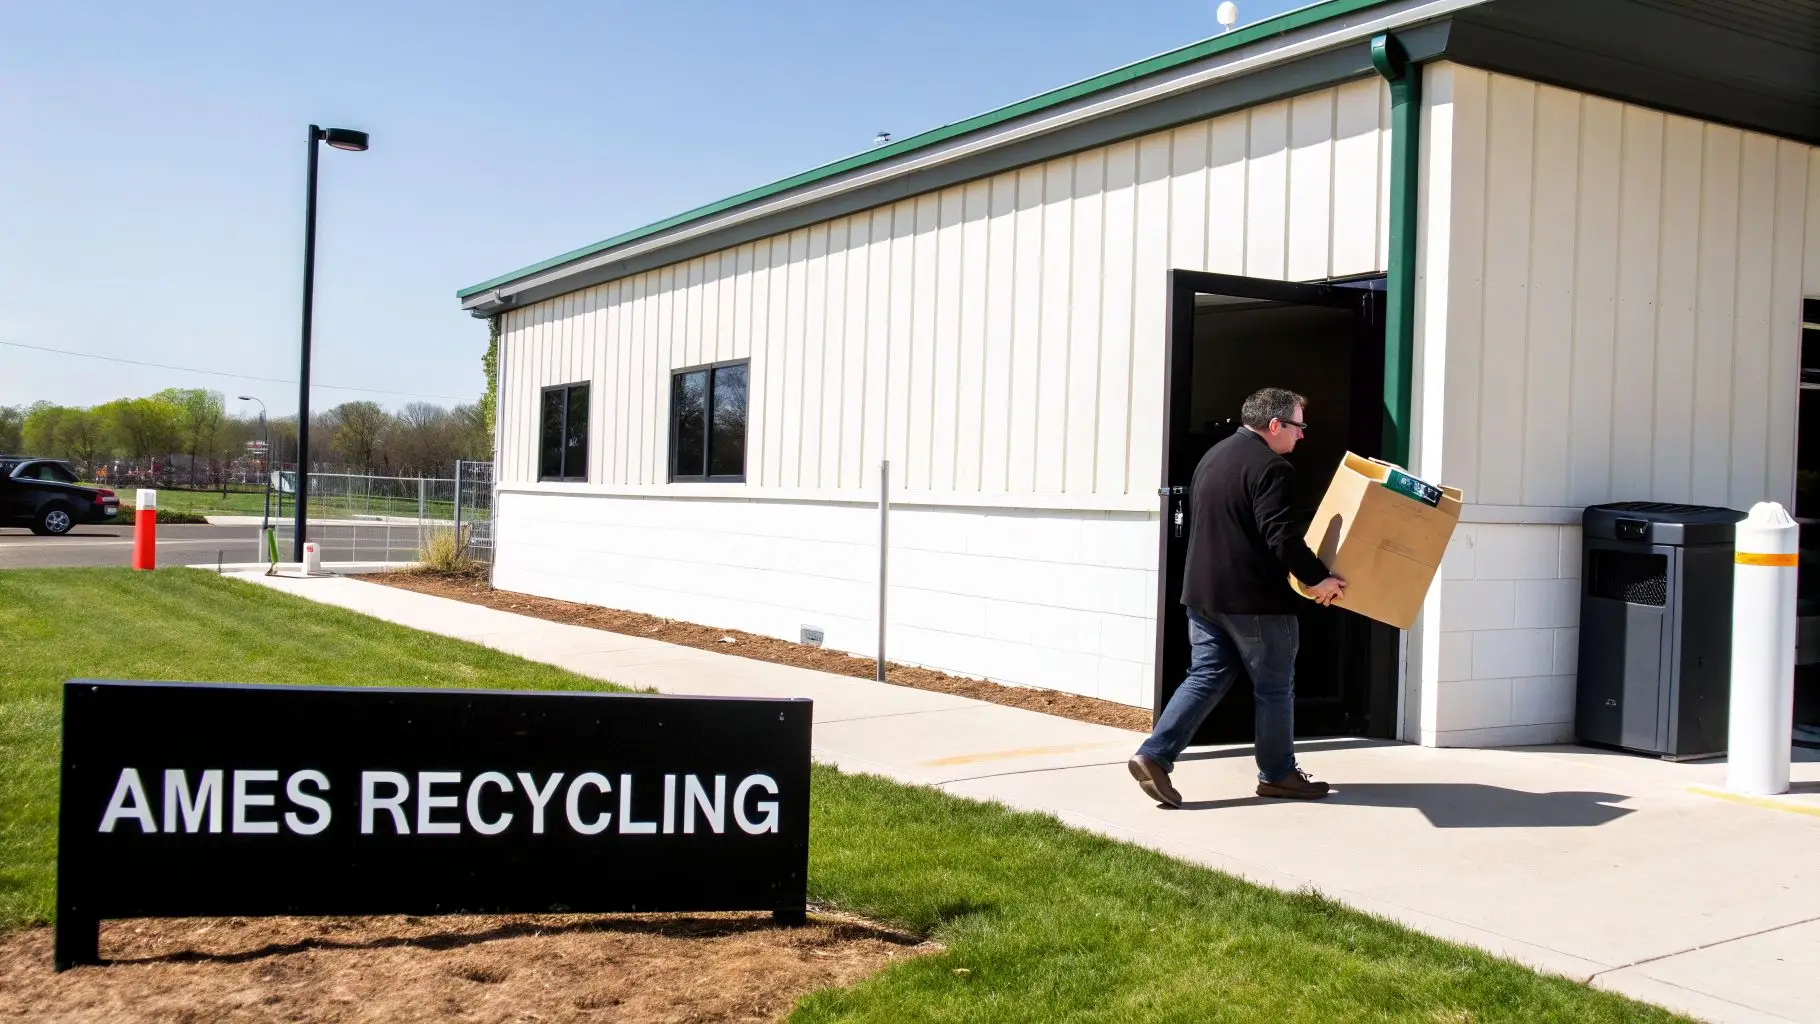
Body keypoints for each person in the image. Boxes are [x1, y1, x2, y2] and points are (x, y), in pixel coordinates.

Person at [1128, 387, 1344, 807]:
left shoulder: (1215, 455)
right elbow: (1280, 535)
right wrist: (1317, 579)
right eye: (1299, 426)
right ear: (1276, 425)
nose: (1302, 436)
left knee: (1206, 675)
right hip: (1255, 601)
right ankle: (1278, 774)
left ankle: (1154, 755)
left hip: (1204, 594)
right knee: (1275, 688)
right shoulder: (1273, 468)